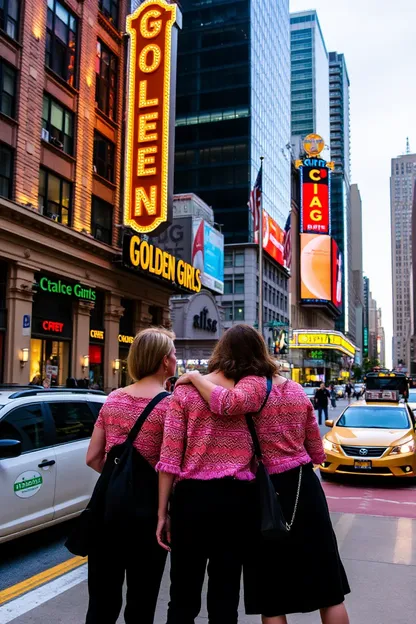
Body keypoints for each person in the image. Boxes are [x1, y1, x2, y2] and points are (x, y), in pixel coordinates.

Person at [173, 324, 350, 624]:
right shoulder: (295, 389)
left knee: (272, 593)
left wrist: (193, 377)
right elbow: (318, 452)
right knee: (328, 588)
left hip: (268, 493)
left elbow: (224, 404)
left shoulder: (252, 387)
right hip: (306, 489)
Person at [156, 332, 277, 624]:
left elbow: (170, 457)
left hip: (192, 502)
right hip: (238, 501)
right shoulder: (254, 394)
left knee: (183, 594)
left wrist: (162, 512)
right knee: (225, 595)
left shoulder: (185, 393)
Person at [85, 327, 176, 624]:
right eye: (173, 354)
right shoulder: (170, 405)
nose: (176, 359)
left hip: (108, 511)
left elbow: (93, 457)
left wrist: (120, 480)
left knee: (101, 599)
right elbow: (169, 466)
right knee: (141, 600)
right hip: (148, 515)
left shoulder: (112, 399)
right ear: (164, 361)